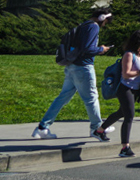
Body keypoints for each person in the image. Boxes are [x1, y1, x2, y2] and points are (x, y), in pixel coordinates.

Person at [32, 9, 114, 140]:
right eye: (106, 22)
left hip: (72, 66)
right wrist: (101, 49)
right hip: (83, 67)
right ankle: (97, 128)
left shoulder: (84, 25)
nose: (105, 24)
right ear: (102, 18)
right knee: (91, 98)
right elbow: (87, 48)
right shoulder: (93, 27)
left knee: (63, 97)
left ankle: (42, 128)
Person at [97, 28, 140, 158]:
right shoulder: (129, 55)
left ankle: (100, 130)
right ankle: (125, 148)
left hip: (135, 89)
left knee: (121, 112)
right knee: (129, 116)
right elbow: (126, 74)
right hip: (125, 88)